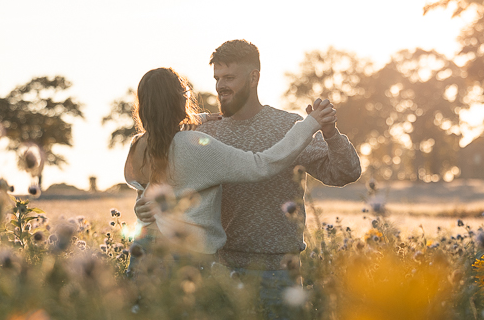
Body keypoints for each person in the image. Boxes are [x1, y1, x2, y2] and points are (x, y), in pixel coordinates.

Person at [135, 40, 362, 320]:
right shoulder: (202, 133)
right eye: (216, 79)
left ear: (254, 77)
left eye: (229, 78)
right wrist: (144, 204)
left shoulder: (289, 125)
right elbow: (162, 178)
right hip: (219, 273)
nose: (220, 87)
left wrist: (330, 132)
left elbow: (345, 172)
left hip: (279, 271)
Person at [124, 67, 336, 260]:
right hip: (183, 258)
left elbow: (145, 192)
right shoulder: (192, 145)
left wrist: (204, 118)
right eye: (185, 95)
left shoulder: (138, 144)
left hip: (143, 252)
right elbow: (261, 165)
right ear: (177, 100)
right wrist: (310, 124)